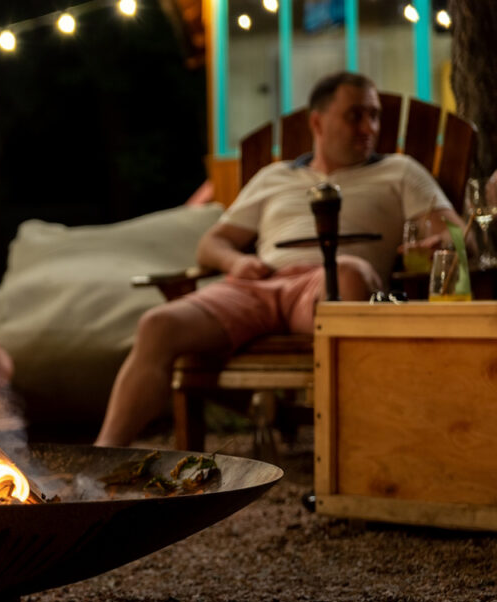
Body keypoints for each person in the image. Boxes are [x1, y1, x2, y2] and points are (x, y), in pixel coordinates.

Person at [95, 71, 463, 447]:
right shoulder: (273, 177)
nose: (368, 126)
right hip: (260, 284)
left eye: (375, 115)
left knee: (351, 274)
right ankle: (98, 461)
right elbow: (213, 242)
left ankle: (357, 452)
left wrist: (436, 247)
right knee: (158, 324)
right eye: (355, 115)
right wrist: (236, 264)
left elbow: (455, 233)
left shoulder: (399, 171)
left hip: (331, 285)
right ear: (317, 122)